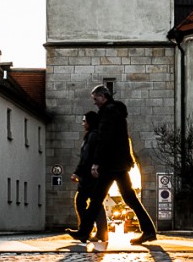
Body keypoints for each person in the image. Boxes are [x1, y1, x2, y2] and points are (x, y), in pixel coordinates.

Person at [67, 84, 157, 245]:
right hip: (119, 164)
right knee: (128, 198)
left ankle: (84, 232)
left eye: (96, 99)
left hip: (111, 165)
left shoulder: (108, 113)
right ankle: (149, 231)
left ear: (103, 97)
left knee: (97, 198)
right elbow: (122, 139)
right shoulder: (117, 112)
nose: (95, 102)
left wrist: (96, 163)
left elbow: (105, 139)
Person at [72, 111, 108, 243]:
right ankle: (98, 232)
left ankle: (86, 230)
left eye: (84, 121)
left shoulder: (92, 135)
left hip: (89, 176)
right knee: (96, 203)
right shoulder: (94, 135)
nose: (83, 123)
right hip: (92, 175)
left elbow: (86, 157)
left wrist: (77, 172)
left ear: (90, 122)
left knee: (81, 201)